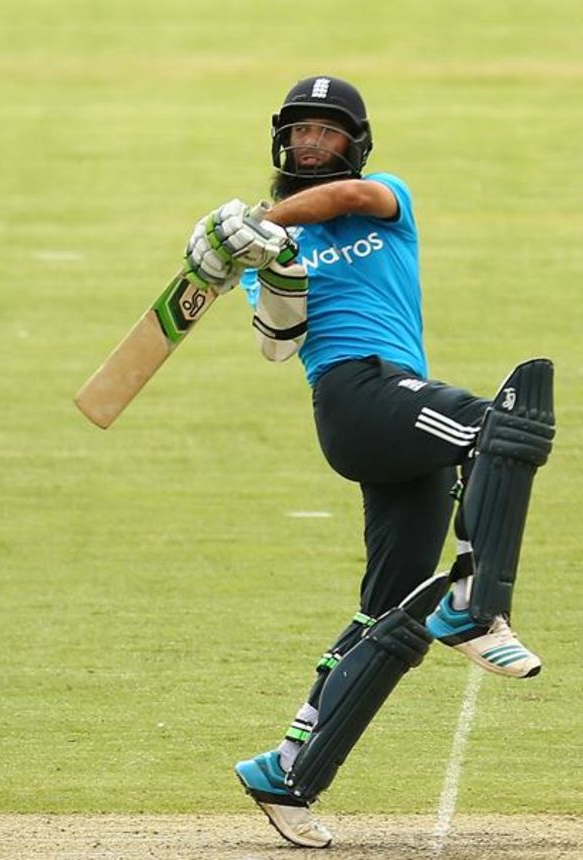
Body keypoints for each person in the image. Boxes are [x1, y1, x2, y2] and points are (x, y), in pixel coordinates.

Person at [183, 75, 557, 849]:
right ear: (282, 143)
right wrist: (268, 265)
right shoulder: (271, 254)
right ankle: (477, 606)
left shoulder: (385, 197)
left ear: (356, 145)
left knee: (392, 613)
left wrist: (257, 221)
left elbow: (345, 200)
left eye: (329, 132)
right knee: (507, 424)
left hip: (396, 409)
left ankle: (289, 770)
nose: (313, 144)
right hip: (357, 398)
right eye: (301, 133)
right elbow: (276, 342)